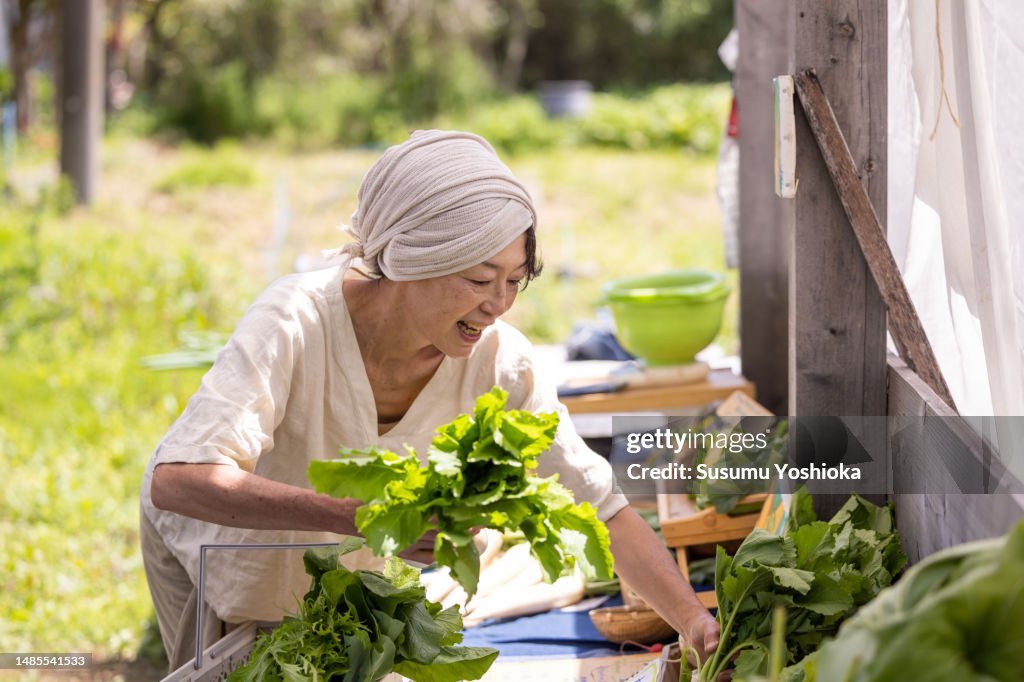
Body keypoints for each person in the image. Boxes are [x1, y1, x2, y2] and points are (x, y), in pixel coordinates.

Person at [140, 129, 719, 671]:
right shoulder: (293, 322)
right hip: (221, 557)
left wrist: (694, 620)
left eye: (516, 280)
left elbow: (600, 504)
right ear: (410, 259)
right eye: (478, 279)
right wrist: (363, 519)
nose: (499, 303)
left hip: (347, 585)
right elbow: (180, 478)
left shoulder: (500, 363)